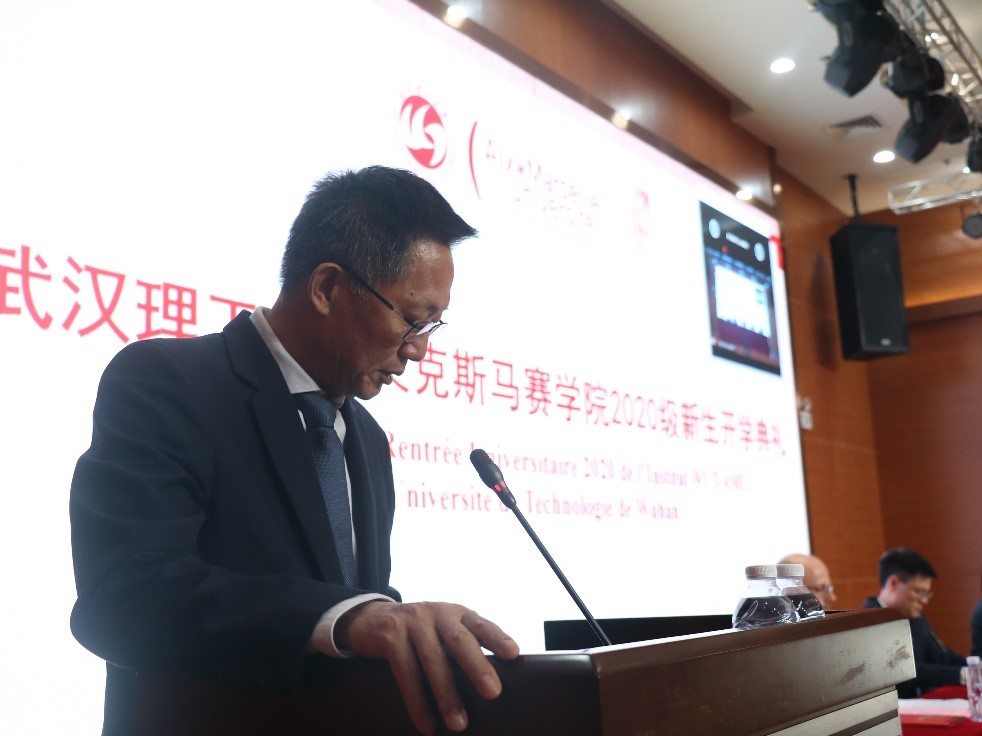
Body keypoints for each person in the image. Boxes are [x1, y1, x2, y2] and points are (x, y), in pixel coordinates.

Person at [69, 166, 519, 736]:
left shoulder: (368, 439)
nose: (419, 351)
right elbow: (124, 595)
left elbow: (350, 611)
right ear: (327, 288)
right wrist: (347, 619)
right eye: (412, 320)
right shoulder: (168, 383)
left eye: (434, 325)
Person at [862, 548, 966, 698]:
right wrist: (963, 674)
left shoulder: (915, 617)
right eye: (919, 592)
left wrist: (974, 666)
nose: (924, 601)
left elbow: (942, 656)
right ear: (893, 583)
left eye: (927, 594)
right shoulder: (867, 622)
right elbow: (904, 671)